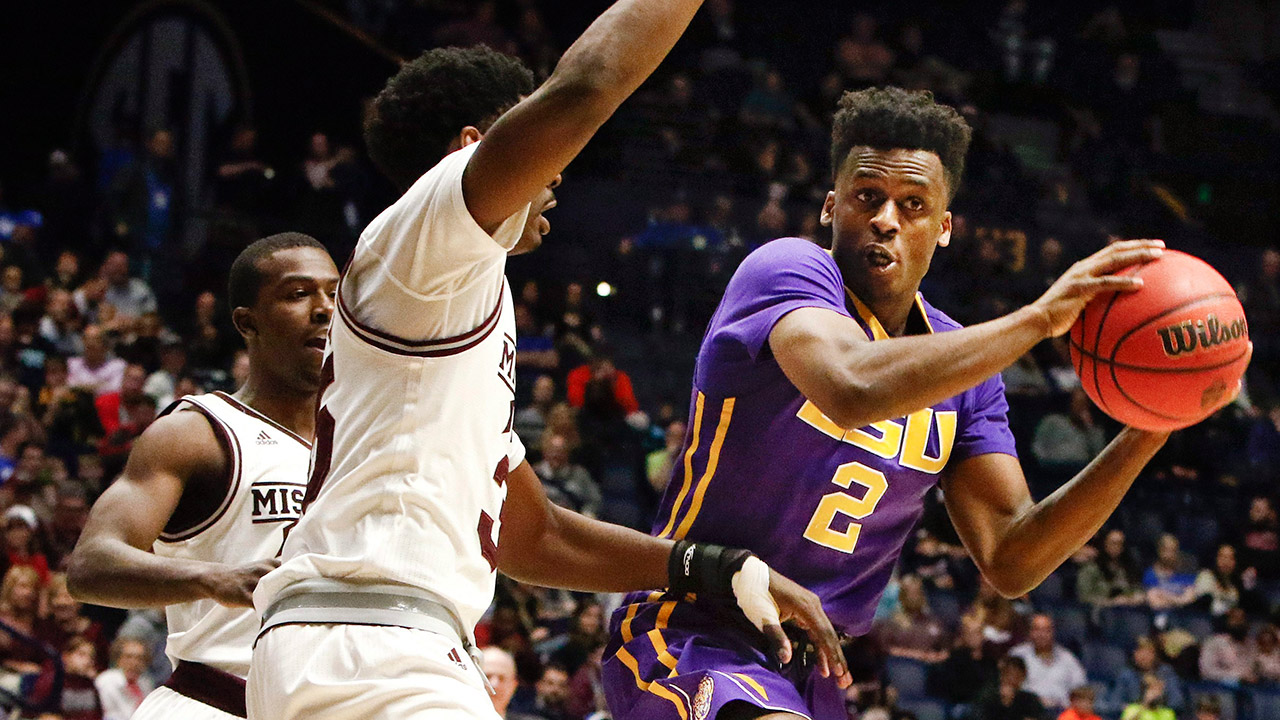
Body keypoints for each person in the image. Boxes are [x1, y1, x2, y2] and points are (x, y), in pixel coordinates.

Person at [249, 7, 847, 720]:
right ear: (476, 147)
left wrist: (710, 567)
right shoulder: (422, 243)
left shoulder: (456, 303)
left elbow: (533, 535)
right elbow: (586, 87)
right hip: (374, 641)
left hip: (360, 640)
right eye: (543, 150)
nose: (560, 174)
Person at [603, 86, 1204, 720]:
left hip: (816, 672)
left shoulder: (966, 371)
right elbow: (850, 387)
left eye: (913, 204)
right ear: (832, 206)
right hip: (693, 631)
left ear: (944, 228)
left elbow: (1012, 556)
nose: (887, 218)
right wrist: (1036, 320)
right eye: (868, 198)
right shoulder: (788, 271)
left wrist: (1152, 425)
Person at [66, 233, 339, 720]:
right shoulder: (197, 432)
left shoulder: (363, 439)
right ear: (245, 322)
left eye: (335, 294)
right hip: (212, 702)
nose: (324, 309)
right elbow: (90, 566)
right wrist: (215, 579)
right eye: (299, 294)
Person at [1009, 614, 1087, 714]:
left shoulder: (1068, 659)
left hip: (1060, 713)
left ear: (1053, 632)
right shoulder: (1018, 655)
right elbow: (1008, 687)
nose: (1041, 634)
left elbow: (1080, 689)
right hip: (1026, 712)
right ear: (1030, 632)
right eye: (1037, 629)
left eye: (1046, 630)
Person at [95, 636, 155, 720]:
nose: (134, 662)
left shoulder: (146, 683)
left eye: (140, 658)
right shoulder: (106, 681)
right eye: (129, 657)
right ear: (118, 659)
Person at [977, 656, 1044, 720]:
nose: (1010, 679)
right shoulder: (989, 698)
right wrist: (1005, 702)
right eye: (1007, 674)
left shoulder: (1030, 699)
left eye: (1015, 676)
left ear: (1023, 676)